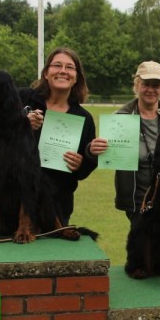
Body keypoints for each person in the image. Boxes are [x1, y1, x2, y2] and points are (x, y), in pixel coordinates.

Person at [22, 47, 99, 223]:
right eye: (57, 65)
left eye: (69, 67)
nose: (63, 71)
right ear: (46, 73)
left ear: (76, 77)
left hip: (56, 207)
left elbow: (83, 170)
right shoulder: (23, 98)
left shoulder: (84, 118)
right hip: (14, 201)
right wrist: (22, 123)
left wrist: (80, 163)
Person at [97, 60, 160, 220]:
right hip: (138, 202)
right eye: (146, 84)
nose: (151, 90)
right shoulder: (120, 118)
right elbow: (102, 157)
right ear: (136, 85)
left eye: (156, 85)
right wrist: (93, 150)